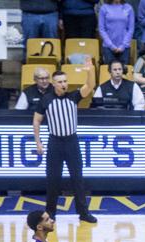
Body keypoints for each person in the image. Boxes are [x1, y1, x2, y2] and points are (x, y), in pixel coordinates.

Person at [33, 61, 98, 223]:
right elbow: (36, 121)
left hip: (71, 142)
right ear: (53, 84)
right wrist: (38, 142)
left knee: (78, 178)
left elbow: (90, 86)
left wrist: (90, 71)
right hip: (54, 142)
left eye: (65, 81)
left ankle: (83, 213)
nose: (63, 84)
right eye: (60, 82)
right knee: (53, 179)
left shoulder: (73, 96)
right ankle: (51, 213)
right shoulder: (46, 100)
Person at [99, 0, 135, 66]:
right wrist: (111, 46)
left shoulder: (129, 8)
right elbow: (102, 29)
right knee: (108, 72)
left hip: (124, 47)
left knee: (124, 71)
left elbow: (131, 29)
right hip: (108, 47)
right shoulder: (104, 8)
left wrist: (123, 45)